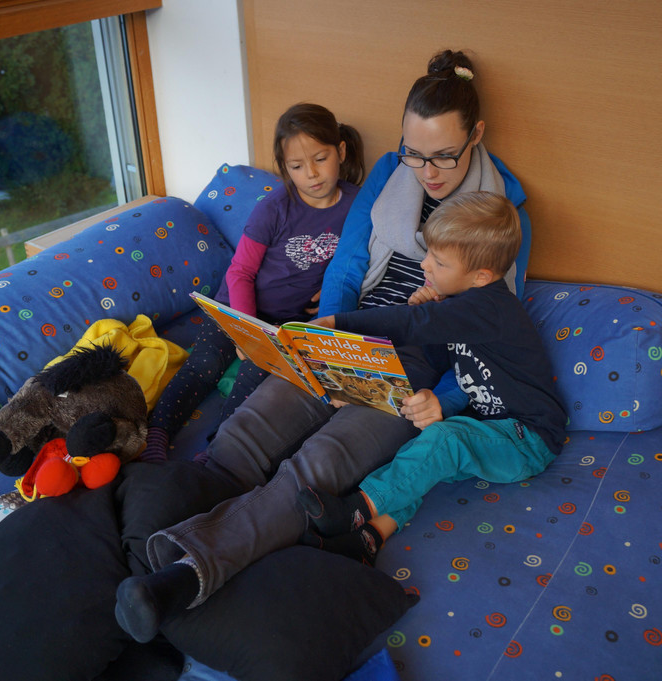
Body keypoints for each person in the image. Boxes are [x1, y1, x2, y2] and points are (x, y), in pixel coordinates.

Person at [113, 49, 539, 644]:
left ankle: (185, 576)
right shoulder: (388, 176)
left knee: (316, 470)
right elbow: (347, 264)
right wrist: (327, 340)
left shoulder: (504, 215)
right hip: (350, 333)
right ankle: (133, 548)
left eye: (444, 154)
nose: (428, 171)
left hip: (415, 364)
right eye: (415, 153)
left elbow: (488, 334)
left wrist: (440, 400)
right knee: (243, 436)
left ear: (477, 135)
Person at [298, 192, 566, 563]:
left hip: (529, 438)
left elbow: (412, 324)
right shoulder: (465, 308)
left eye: (438, 261)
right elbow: (444, 356)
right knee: (421, 459)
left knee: (444, 440)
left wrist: (339, 323)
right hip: (493, 429)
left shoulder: (491, 307)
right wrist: (433, 320)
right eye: (429, 254)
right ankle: (370, 538)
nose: (424, 264)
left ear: (481, 276)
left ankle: (355, 510)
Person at [139, 103, 364, 462]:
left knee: (252, 386)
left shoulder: (357, 205)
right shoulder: (274, 208)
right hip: (235, 307)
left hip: (285, 324)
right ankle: (156, 434)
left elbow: (365, 257)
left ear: (341, 151)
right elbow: (240, 272)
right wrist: (246, 331)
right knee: (203, 366)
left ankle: (216, 454)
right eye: (297, 166)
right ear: (285, 168)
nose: (311, 174)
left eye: (321, 159)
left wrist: (335, 284)